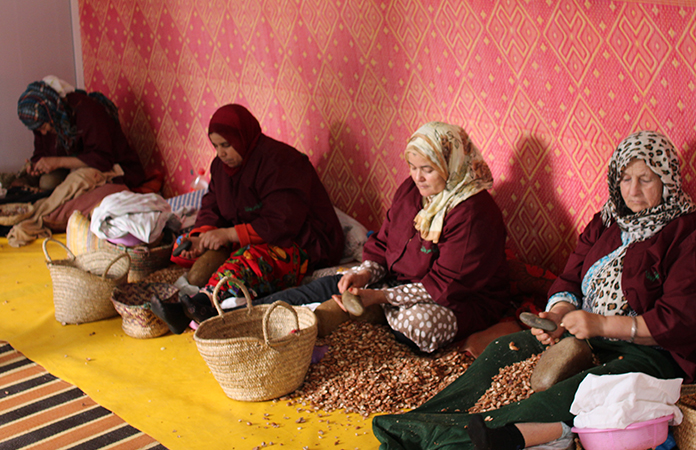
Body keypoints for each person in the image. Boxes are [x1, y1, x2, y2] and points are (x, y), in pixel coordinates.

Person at [371, 130, 696, 449]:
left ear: (667, 180)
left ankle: (461, 438)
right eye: (625, 178)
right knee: (503, 350)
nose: (633, 190)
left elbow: (680, 319)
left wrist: (600, 325)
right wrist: (558, 313)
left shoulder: (685, 233)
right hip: (584, 336)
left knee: (580, 389)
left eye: (646, 179)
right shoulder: (607, 221)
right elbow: (569, 278)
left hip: (648, 352)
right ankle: (419, 420)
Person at [256, 121, 510, 353]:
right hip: (394, 283)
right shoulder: (411, 191)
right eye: (412, 167)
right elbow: (383, 242)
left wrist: (380, 297)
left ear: (451, 165)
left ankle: (375, 312)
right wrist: (364, 274)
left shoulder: (473, 213)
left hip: (459, 301)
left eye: (427, 169)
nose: (417, 177)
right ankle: (250, 312)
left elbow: (446, 285)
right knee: (330, 285)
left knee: (418, 324)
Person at [157, 103, 345, 333]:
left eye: (226, 145)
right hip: (253, 236)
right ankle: (196, 303)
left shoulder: (281, 162)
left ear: (244, 136)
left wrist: (228, 234)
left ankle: (205, 303)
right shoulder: (221, 167)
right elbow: (212, 204)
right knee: (185, 245)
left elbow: (283, 221)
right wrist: (201, 236)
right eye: (216, 146)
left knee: (251, 260)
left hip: (303, 242)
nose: (221, 153)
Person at [16, 77, 146, 190]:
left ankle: (44, 212)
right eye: (38, 130)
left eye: (44, 127)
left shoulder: (88, 112)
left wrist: (58, 162)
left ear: (52, 113)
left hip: (113, 167)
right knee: (45, 182)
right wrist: (36, 165)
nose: (43, 133)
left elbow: (102, 159)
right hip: (73, 168)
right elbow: (41, 152)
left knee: (74, 184)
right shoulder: (44, 120)